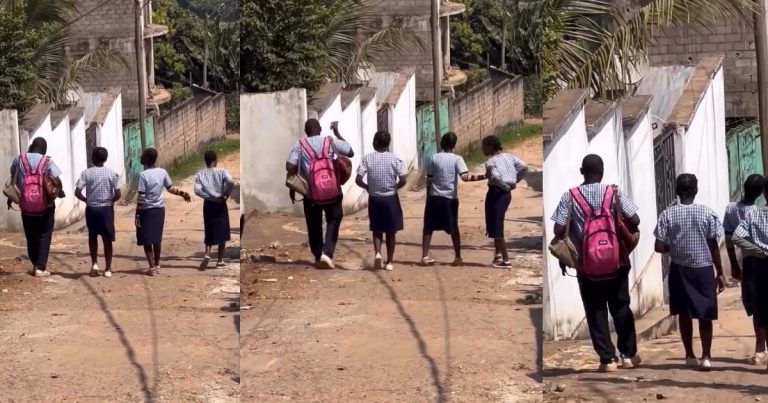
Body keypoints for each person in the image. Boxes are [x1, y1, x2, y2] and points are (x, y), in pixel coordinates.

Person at [552, 154, 642, 372]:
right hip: (617, 261)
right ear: (602, 172)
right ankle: (628, 356)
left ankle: (607, 359)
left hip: (587, 265)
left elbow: (558, 229)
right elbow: (636, 220)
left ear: (582, 171)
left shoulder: (570, 196)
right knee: (621, 306)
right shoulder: (614, 193)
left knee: (595, 310)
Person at [654, 173, 726, 371]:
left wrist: (674, 247)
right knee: (705, 314)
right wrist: (719, 272)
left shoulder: (667, 214)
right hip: (703, 269)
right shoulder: (707, 213)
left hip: (679, 270)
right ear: (695, 190)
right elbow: (713, 245)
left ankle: (689, 355)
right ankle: (706, 356)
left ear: (677, 191)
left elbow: (659, 246)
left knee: (684, 314)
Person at [286, 119, 354, 269]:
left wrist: (294, 185)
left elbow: (290, 166)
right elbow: (350, 151)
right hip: (333, 191)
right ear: (321, 129)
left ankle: (318, 255)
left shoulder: (299, 145)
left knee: (313, 223)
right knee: (334, 219)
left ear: (306, 131)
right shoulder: (330, 141)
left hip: (311, 194)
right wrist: (337, 133)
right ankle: (327, 253)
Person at [421, 132, 486, 266]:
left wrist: (428, 196)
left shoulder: (434, 157)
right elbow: (465, 177)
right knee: (453, 229)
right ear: (454, 145)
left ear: (441, 144)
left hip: (434, 198)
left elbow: (429, 179)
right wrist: (484, 177)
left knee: (428, 228)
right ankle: (457, 257)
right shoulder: (457, 159)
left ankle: (424, 256)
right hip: (449, 199)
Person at [723, 174, 766, 365]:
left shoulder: (732, 209)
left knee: (757, 306)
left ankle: (760, 348)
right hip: (755, 262)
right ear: (760, 193)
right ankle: (761, 348)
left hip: (751, 261)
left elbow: (731, 239)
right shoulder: (755, 211)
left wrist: (733, 264)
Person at [8, 138, 65, 277]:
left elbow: (13, 177)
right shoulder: (47, 161)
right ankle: (40, 267)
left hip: (26, 205)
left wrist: (10, 198)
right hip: (45, 206)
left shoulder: (19, 158)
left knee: (31, 235)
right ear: (44, 150)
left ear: (31, 146)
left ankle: (35, 263)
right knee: (44, 235)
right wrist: (61, 191)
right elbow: (56, 179)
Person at [356, 131, 408, 271]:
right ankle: (389, 261)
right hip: (390, 198)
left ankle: (378, 253)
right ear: (388, 143)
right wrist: (396, 187)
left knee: (377, 229)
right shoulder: (395, 159)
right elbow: (403, 179)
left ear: (375, 142)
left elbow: (358, 179)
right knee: (391, 231)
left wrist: (367, 187)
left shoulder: (368, 159)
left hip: (375, 199)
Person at [136, 148, 191, 276]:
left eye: (143, 155)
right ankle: (157, 264)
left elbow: (141, 197)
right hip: (159, 210)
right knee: (157, 238)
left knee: (146, 239)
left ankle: (151, 267)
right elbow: (170, 188)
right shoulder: (162, 172)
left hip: (146, 210)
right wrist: (182, 193)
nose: (141, 156)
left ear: (147, 159)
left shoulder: (143, 175)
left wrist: (138, 214)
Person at [74, 147, 121, 278]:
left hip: (92, 209)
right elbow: (118, 194)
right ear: (105, 159)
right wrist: (111, 201)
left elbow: (77, 192)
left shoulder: (86, 173)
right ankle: (108, 269)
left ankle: (94, 264)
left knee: (92, 237)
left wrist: (86, 200)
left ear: (93, 158)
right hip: (106, 209)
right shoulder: (112, 174)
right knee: (107, 239)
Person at [482, 135, 528, 267]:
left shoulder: (490, 162)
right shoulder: (509, 156)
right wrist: (515, 181)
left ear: (490, 147)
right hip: (506, 195)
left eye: (484, 147)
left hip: (496, 193)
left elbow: (495, 177)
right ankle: (497, 255)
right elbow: (524, 167)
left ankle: (506, 260)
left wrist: (505, 186)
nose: (482, 149)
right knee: (496, 221)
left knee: (496, 224)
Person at [194, 150, 234, 270]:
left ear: (206, 161)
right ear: (215, 161)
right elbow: (231, 182)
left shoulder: (200, 174)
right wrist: (226, 195)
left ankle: (207, 254)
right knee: (222, 231)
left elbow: (197, 190)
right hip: (220, 203)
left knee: (209, 229)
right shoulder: (222, 171)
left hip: (209, 204)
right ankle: (220, 260)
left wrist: (209, 197)